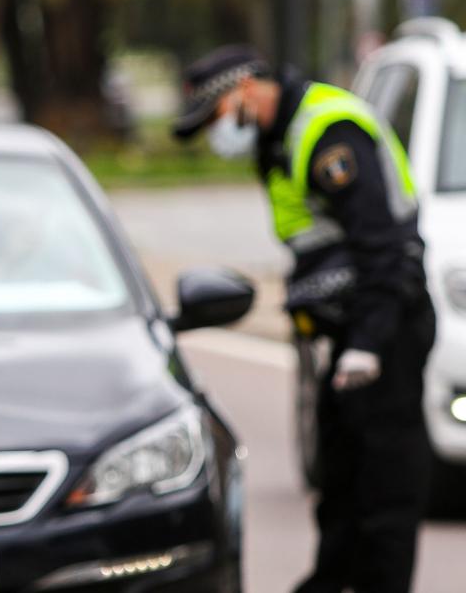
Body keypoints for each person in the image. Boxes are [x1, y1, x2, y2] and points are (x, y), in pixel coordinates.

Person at [173, 46, 435, 593]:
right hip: (344, 331)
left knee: (385, 483)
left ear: (244, 90)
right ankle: (331, 580)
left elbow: (382, 248)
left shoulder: (327, 132)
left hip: (386, 327)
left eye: (216, 116)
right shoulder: (279, 138)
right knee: (339, 476)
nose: (217, 134)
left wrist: (368, 344)